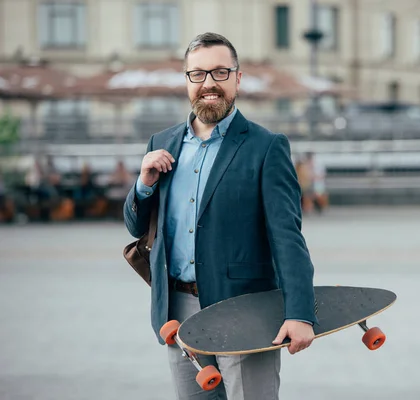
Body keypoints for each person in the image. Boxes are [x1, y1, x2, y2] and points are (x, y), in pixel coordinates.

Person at [123, 32, 317, 400]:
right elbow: (137, 228)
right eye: (197, 74)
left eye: (220, 72)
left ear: (237, 79)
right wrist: (143, 183)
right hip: (178, 314)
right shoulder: (161, 144)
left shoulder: (266, 146)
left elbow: (287, 237)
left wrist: (301, 314)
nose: (208, 83)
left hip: (245, 309)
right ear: (186, 81)